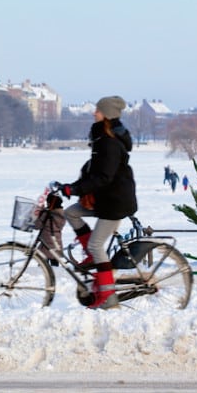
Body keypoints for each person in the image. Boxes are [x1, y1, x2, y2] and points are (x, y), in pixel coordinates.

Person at [58, 96, 137, 309]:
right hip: (105, 199)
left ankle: (107, 297)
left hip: (115, 202)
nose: (94, 113)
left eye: (98, 111)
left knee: (95, 244)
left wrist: (75, 189)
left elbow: (103, 177)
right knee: (71, 213)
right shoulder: (102, 138)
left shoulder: (109, 143)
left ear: (107, 115)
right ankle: (93, 258)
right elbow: (92, 172)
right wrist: (70, 187)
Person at [33, 193, 66, 267]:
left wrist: (40, 212)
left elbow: (37, 226)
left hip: (46, 244)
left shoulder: (47, 215)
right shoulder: (62, 215)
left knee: (42, 265)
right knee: (55, 263)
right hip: (57, 243)